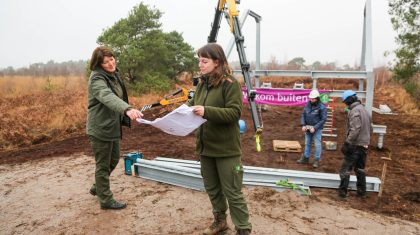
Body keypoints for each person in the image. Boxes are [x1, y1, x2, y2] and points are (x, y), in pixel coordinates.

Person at [187, 43, 252, 235]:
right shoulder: (202, 84)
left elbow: (234, 113)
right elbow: (191, 105)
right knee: (213, 189)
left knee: (233, 191)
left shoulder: (230, 84)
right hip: (205, 148)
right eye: (199, 60)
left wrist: (207, 111)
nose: (200, 64)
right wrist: (177, 114)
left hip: (226, 150)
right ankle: (220, 221)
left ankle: (243, 229)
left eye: (204, 61)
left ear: (217, 62)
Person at [86, 46, 143, 210]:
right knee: (103, 165)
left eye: (112, 59)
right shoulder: (97, 79)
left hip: (112, 126)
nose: (111, 64)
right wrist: (127, 109)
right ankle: (106, 200)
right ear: (98, 64)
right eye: (106, 62)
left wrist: (126, 110)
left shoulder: (113, 75)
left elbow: (119, 95)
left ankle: (97, 187)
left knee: (113, 160)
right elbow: (107, 96)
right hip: (100, 128)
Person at [338, 90, 372, 199]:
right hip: (364, 145)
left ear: (348, 100)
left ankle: (342, 194)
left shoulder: (354, 111)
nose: (346, 105)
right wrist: (366, 141)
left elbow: (355, 129)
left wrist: (348, 143)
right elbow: (370, 129)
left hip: (355, 145)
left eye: (345, 102)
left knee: (345, 169)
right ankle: (361, 192)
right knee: (360, 169)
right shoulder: (364, 110)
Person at [297, 89, 328, 168]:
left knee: (317, 144)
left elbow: (323, 119)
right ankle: (306, 158)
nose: (311, 100)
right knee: (307, 143)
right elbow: (303, 114)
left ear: (317, 98)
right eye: (310, 98)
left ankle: (316, 160)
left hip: (317, 129)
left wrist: (315, 127)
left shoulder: (322, 107)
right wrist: (303, 124)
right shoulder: (308, 104)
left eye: (313, 99)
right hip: (308, 127)